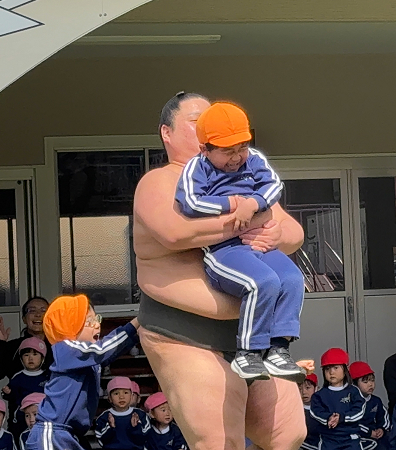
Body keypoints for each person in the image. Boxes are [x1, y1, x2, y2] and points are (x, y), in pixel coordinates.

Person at [134, 92, 306, 449]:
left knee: (288, 435)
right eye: (196, 122)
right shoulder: (160, 181)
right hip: (185, 335)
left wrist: (274, 231)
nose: (208, 128)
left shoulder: (246, 174)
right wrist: (250, 217)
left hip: (256, 333)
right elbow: (176, 233)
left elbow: (293, 232)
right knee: (219, 443)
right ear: (167, 133)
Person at [174, 101, 305, 382]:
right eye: (227, 151)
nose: (236, 158)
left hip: (259, 246)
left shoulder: (254, 159)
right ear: (205, 149)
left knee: (292, 278)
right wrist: (233, 204)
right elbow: (190, 202)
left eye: (241, 148)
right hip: (223, 252)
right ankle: (248, 352)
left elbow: (274, 185)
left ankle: (278, 349)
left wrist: (253, 203)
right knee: (261, 282)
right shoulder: (197, 168)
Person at [26, 294, 139, 450]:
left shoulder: (85, 358)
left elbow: (110, 353)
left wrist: (137, 335)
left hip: (69, 434)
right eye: (89, 321)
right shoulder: (66, 349)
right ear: (70, 326)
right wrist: (137, 322)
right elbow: (103, 350)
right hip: (52, 432)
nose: (97, 325)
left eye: (97, 319)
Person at [0, 297, 52, 383]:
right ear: (24, 319)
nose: (38, 315)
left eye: (43, 310)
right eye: (32, 310)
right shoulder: (14, 347)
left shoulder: (58, 346)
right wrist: (1, 343)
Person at [310, 348, 366, 450]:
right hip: (328, 440)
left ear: (345, 369)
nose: (331, 372)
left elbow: (359, 411)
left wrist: (342, 418)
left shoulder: (353, 391)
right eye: (327, 369)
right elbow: (315, 412)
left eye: (336, 368)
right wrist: (329, 418)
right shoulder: (319, 395)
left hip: (351, 439)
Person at [2, 336, 50, 440]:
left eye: (35, 354)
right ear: (21, 359)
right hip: (23, 417)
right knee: (22, 438)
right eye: (26, 355)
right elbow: (13, 398)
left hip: (44, 416)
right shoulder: (18, 377)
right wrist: (8, 393)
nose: (30, 358)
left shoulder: (48, 376)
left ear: (42, 358)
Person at [95, 376, 150, 449]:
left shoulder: (140, 415)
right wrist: (111, 428)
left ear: (131, 396)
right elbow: (101, 440)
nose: (121, 397)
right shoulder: (105, 417)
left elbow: (146, 439)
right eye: (116, 393)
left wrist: (135, 428)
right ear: (110, 398)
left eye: (126, 393)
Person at [350, 361, 390, 450]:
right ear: (354, 384)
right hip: (359, 435)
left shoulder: (376, 401)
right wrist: (369, 432)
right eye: (365, 381)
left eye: (372, 380)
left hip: (375, 434)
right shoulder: (351, 402)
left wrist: (381, 429)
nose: (370, 384)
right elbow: (353, 424)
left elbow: (383, 416)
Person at [301, 373, 323, 450]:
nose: (303, 392)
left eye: (307, 388)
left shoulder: (323, 410)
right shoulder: (296, 411)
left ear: (316, 388)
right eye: (300, 388)